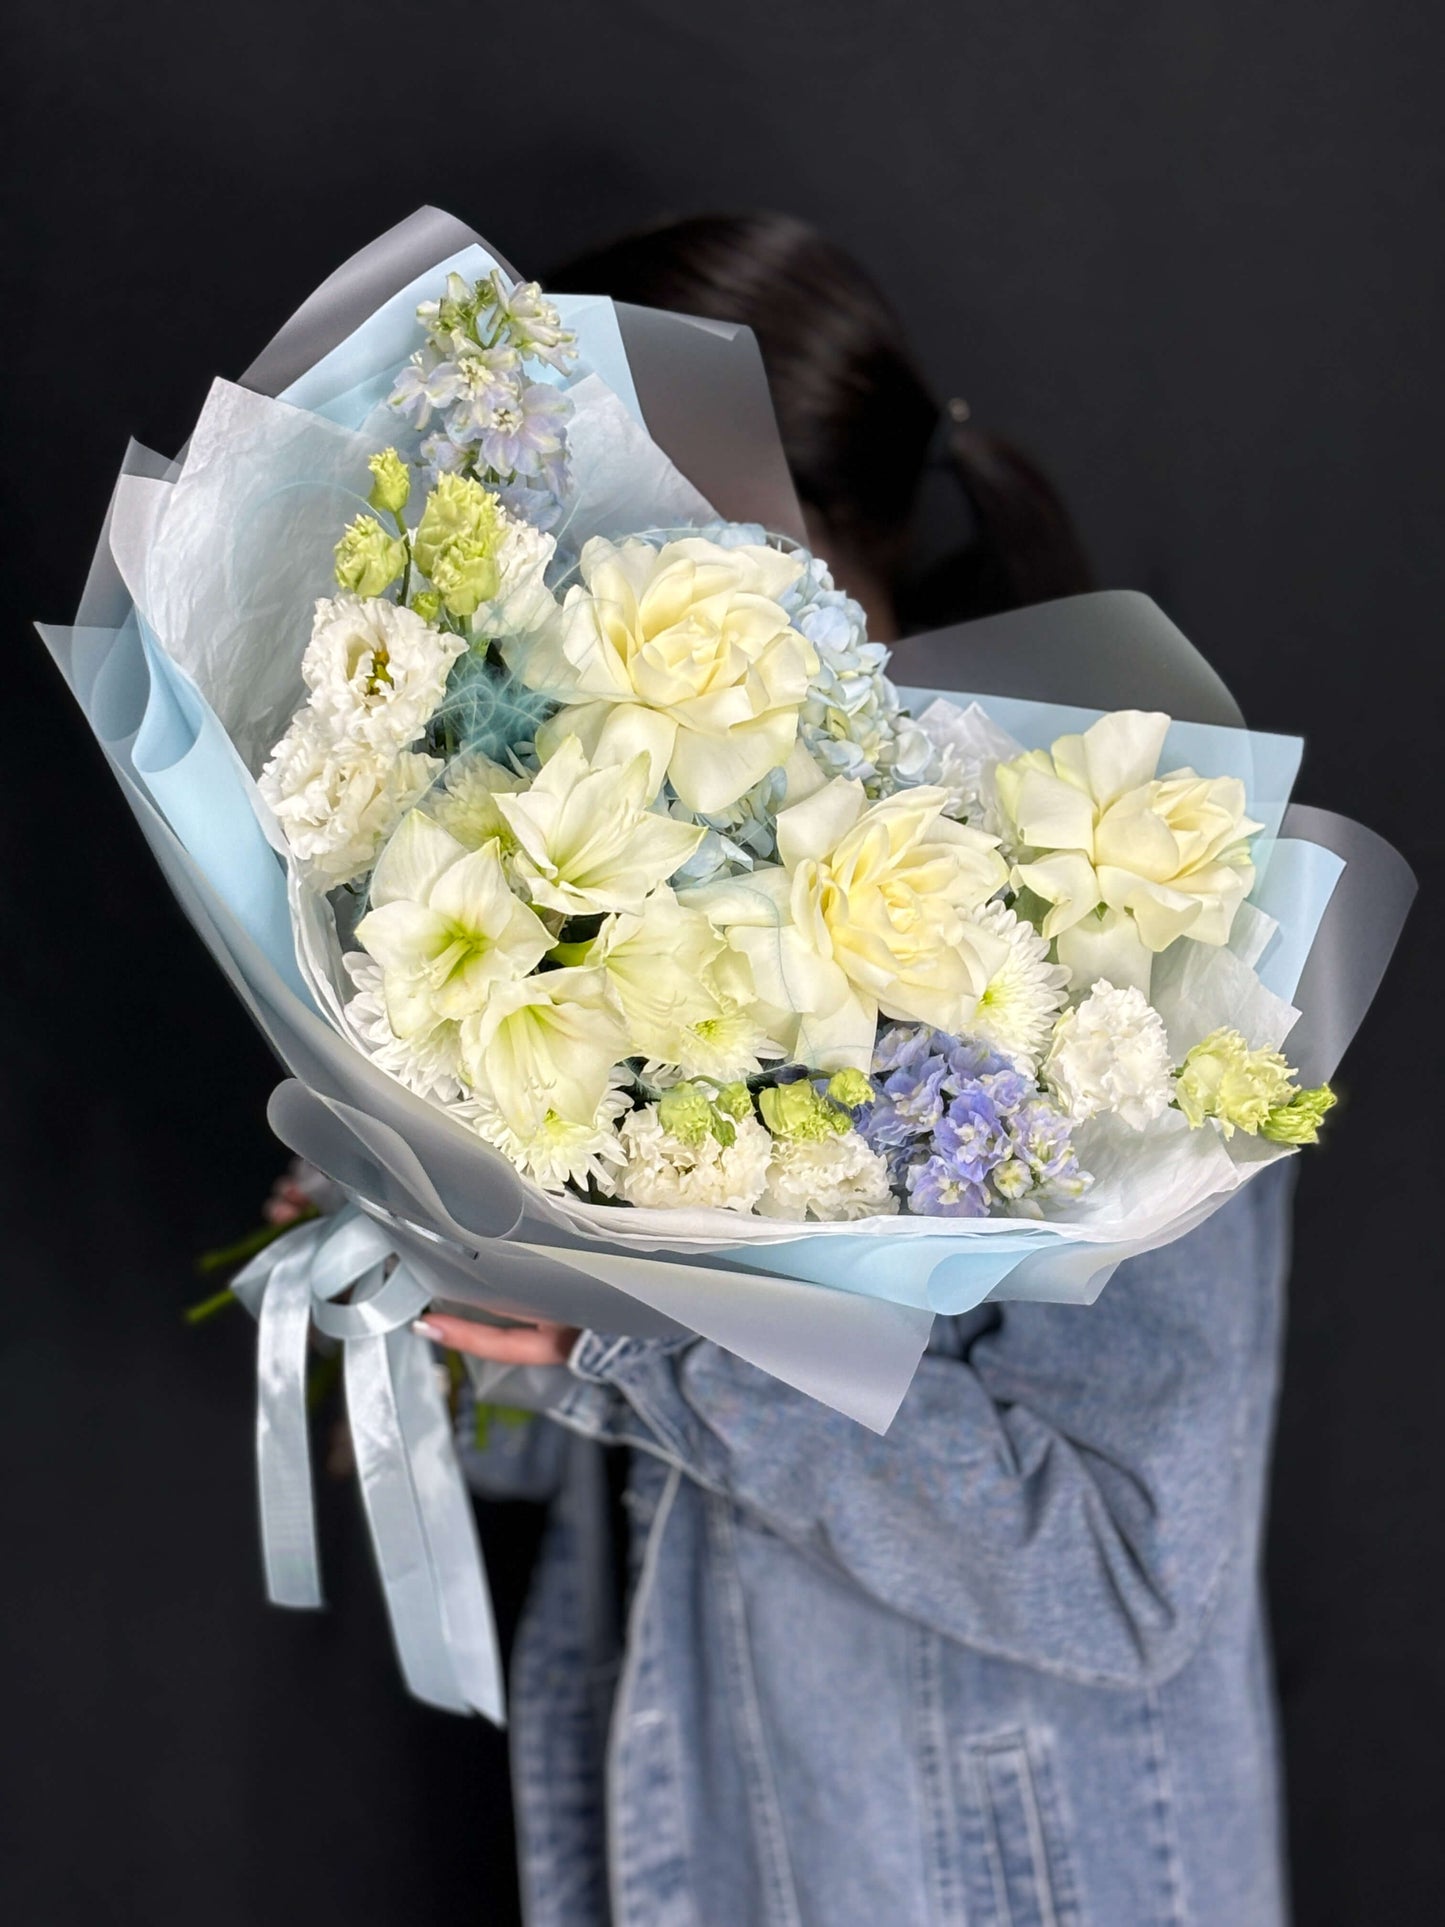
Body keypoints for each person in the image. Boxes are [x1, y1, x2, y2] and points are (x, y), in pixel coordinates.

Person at [414, 213, 1295, 1926]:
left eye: (575, 486)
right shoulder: (602, 858)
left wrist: (654, 1355)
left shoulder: (1118, 898)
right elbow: (558, 1450)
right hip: (703, 1848)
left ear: (732, 509)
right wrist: (420, 1256)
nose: (541, 554)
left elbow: (1123, 1568)